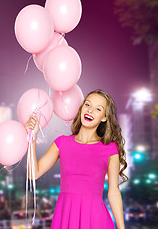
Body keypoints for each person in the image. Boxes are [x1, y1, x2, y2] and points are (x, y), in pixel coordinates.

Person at [25, 89, 128, 229]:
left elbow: (114, 192)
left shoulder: (110, 149)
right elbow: (33, 173)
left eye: (98, 109)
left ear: (104, 117)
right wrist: (33, 137)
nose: (90, 111)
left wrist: (122, 228)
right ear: (81, 109)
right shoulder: (62, 143)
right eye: (87, 105)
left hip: (95, 218)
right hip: (65, 216)